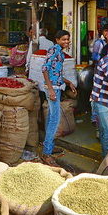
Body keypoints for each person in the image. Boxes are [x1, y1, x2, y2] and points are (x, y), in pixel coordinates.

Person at [41, 30, 77, 166]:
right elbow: (44, 69)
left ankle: (48, 146)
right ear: (57, 40)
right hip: (53, 89)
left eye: (67, 39)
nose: (66, 42)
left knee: (51, 117)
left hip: (56, 87)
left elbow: (56, 73)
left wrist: (68, 82)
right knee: (55, 120)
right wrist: (50, 89)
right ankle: (46, 153)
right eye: (63, 39)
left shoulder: (60, 53)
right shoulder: (54, 50)